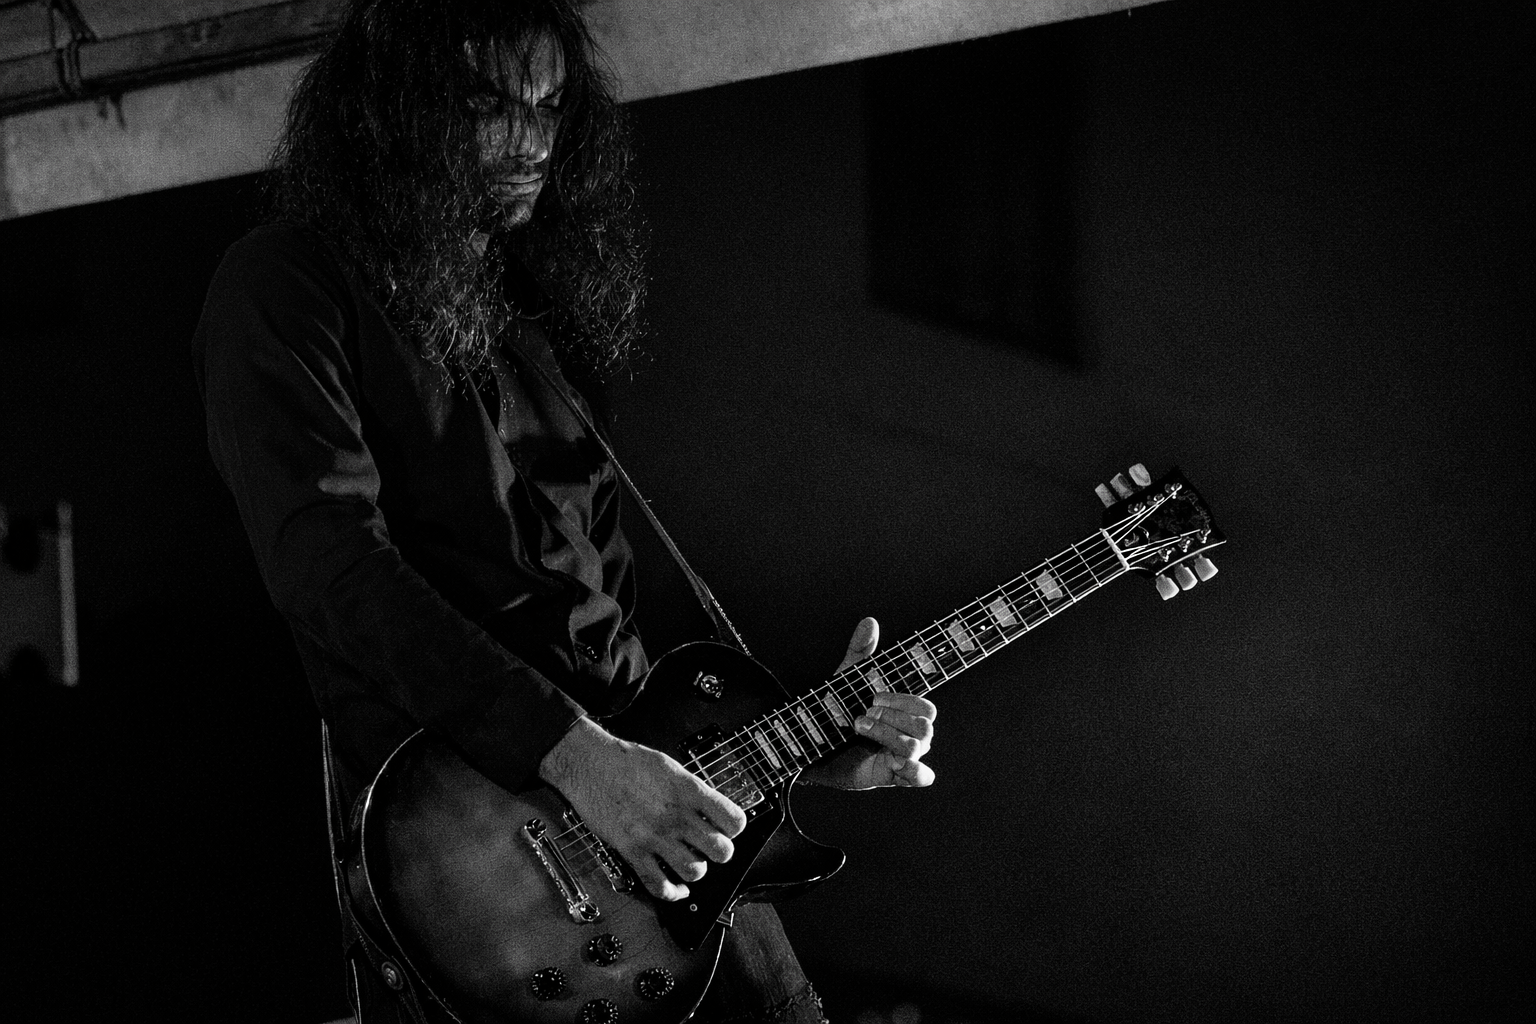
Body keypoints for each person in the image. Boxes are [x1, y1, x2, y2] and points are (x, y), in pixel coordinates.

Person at [192, 1, 937, 1021]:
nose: (533, 138)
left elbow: (625, 669)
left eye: (549, 104)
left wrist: (806, 748)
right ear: (390, 111)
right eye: (490, 103)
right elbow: (330, 567)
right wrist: (579, 760)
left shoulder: (529, 328)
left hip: (678, 891)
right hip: (478, 880)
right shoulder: (285, 284)